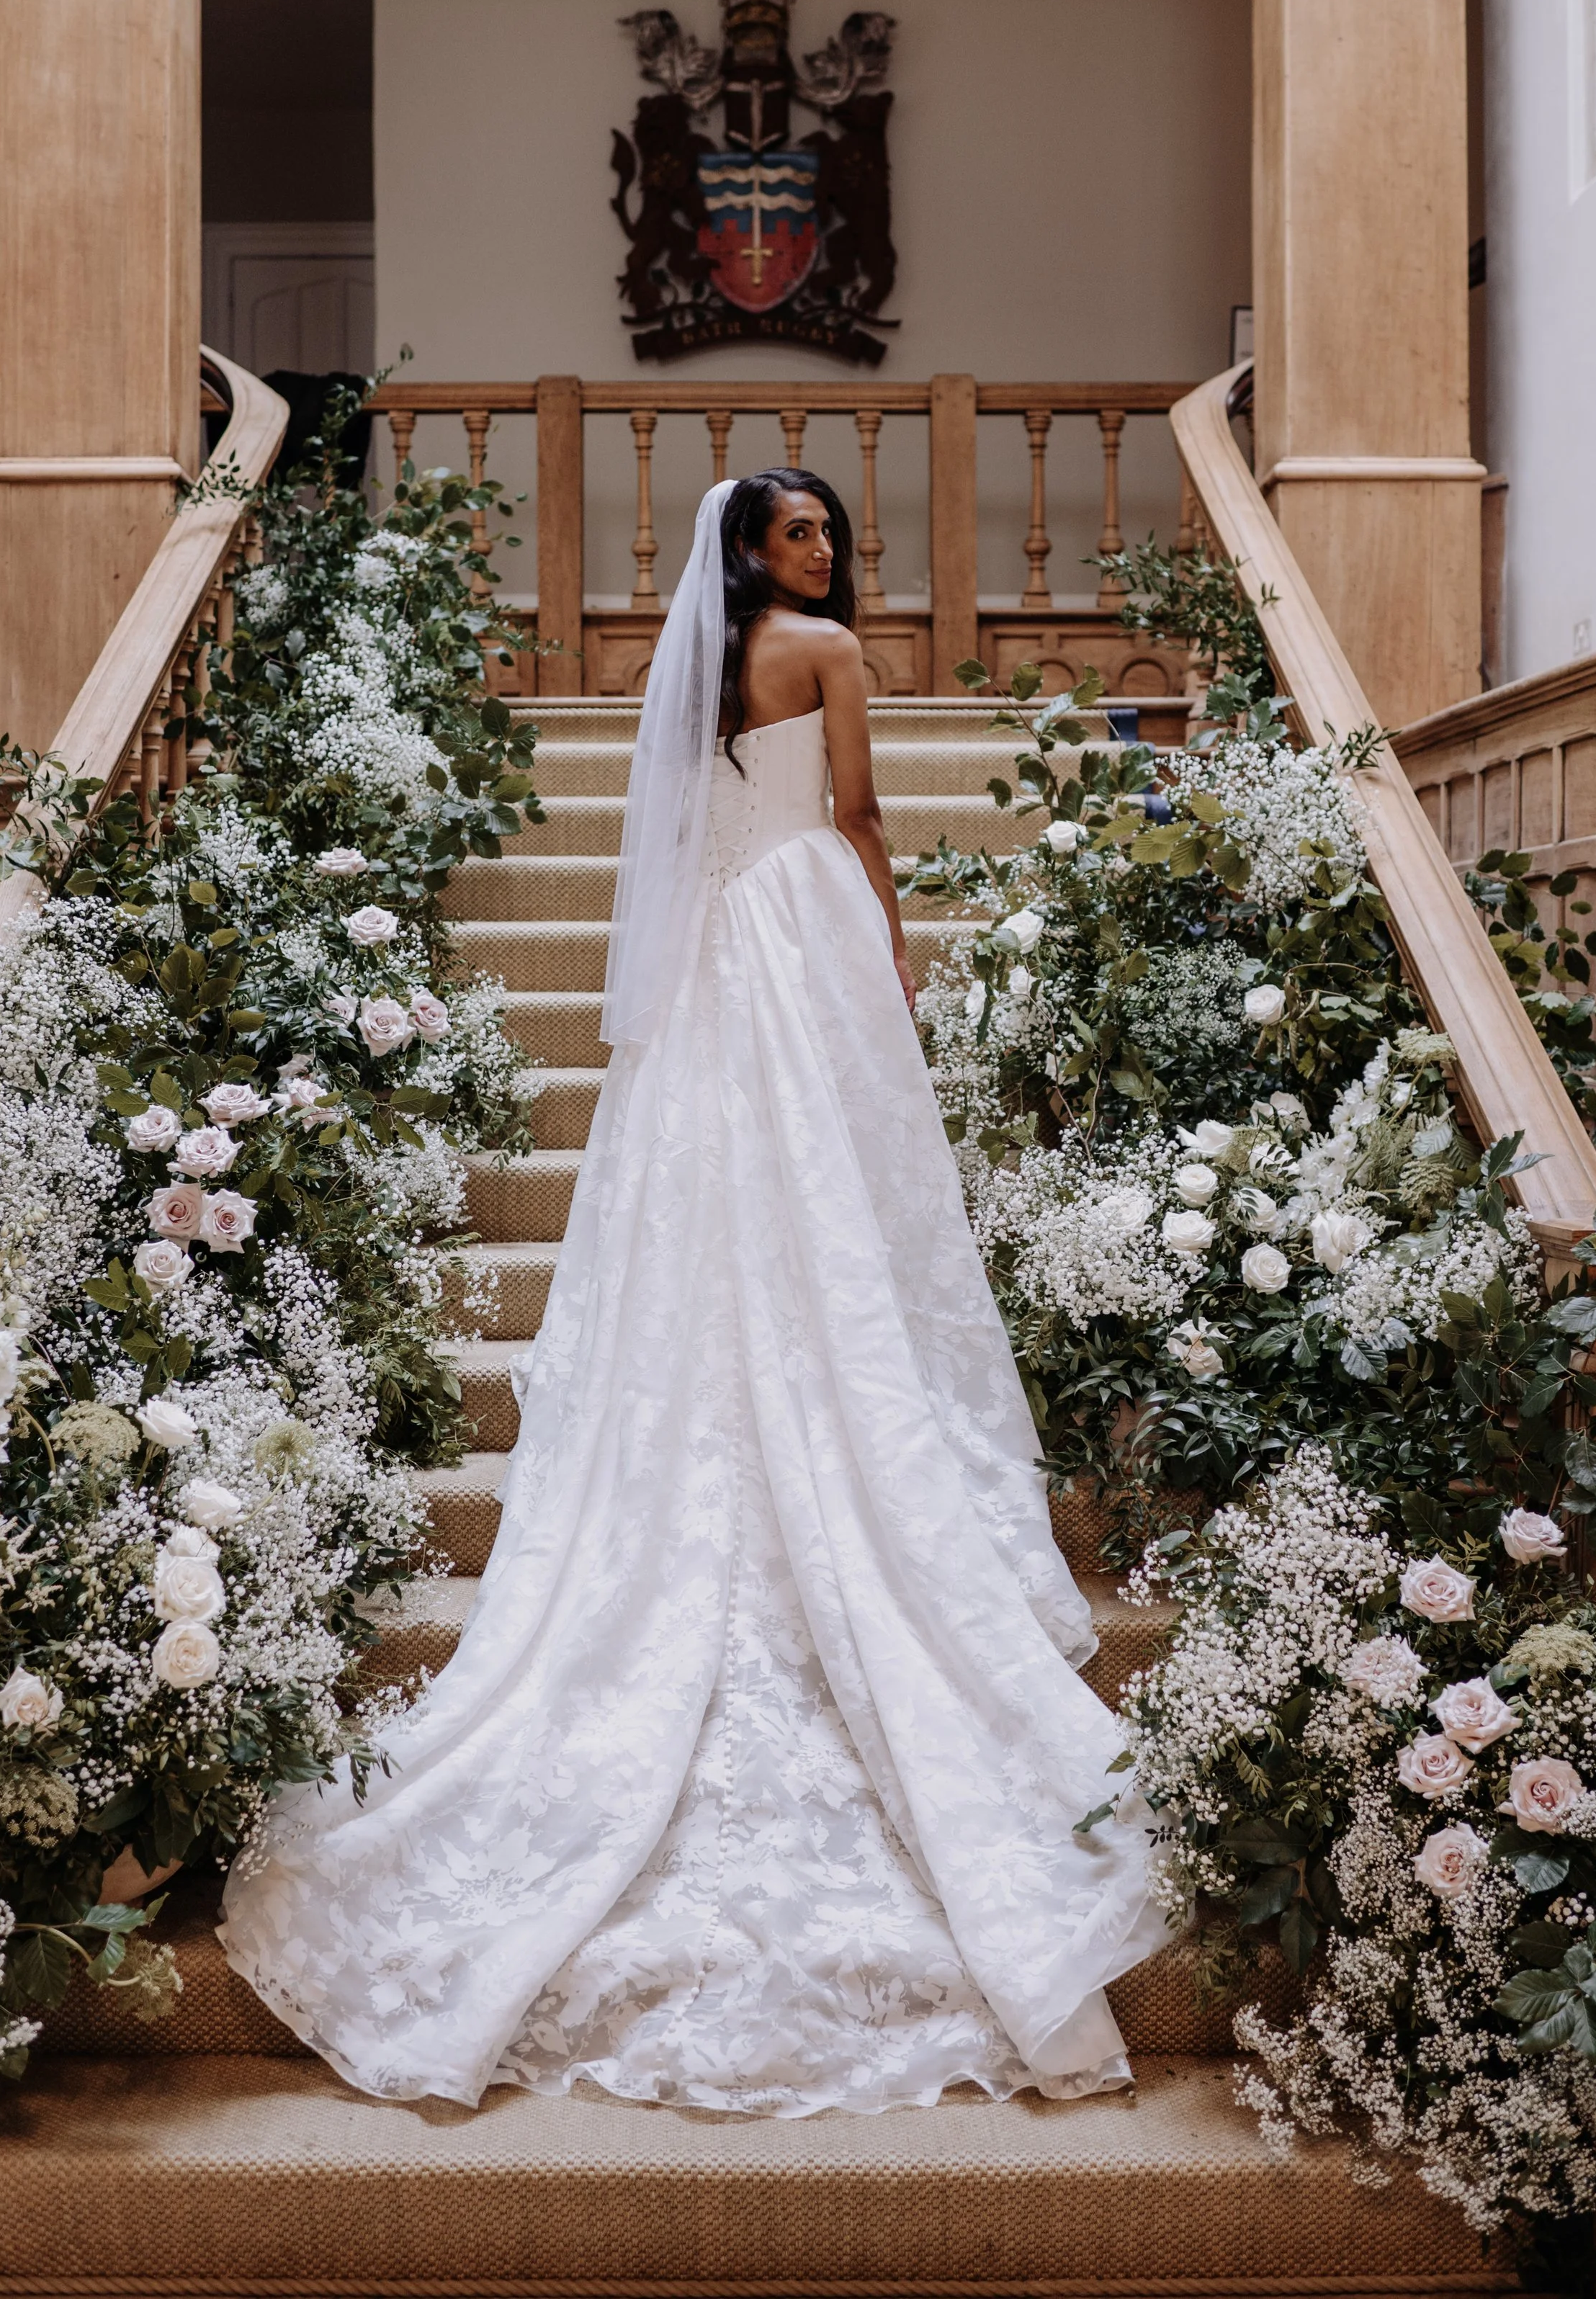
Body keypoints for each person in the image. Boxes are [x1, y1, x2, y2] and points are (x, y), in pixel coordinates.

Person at [219, 470, 1169, 2115]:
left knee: (718, 1194)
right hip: (801, 928)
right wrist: (893, 956)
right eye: (800, 531)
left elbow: (689, 832)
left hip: (725, 941)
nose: (822, 549)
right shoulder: (825, 656)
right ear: (753, 550)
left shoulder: (709, 672)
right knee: (836, 1197)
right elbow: (857, 818)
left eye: (824, 533)